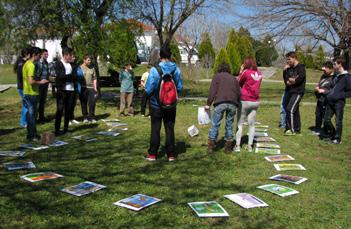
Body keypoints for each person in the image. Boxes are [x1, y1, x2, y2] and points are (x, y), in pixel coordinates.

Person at [144, 45, 183, 162]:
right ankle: (171, 154)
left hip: (156, 105)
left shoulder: (154, 70)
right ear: (170, 56)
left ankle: (152, 154)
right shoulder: (176, 70)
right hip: (171, 105)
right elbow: (180, 87)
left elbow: (148, 88)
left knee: (155, 129)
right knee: (169, 128)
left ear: (160, 56)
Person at [206, 62, 241, 153]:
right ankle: (228, 147)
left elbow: (212, 91)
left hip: (220, 102)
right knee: (229, 125)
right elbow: (239, 93)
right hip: (232, 103)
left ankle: (211, 146)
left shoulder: (217, 77)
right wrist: (236, 102)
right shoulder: (234, 78)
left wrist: (208, 104)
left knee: (215, 124)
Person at [234, 57, 263, 152]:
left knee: (240, 123)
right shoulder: (259, 73)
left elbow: (238, 82)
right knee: (252, 124)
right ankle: (250, 146)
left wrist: (241, 71)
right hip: (255, 101)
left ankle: (238, 146)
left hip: (245, 100)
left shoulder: (246, 72)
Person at [322, 57, 351, 144]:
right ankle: (333, 135)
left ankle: (337, 139)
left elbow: (350, 91)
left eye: (335, 64)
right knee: (326, 120)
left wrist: (340, 96)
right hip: (330, 101)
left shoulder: (347, 77)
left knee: (338, 121)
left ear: (340, 65)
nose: (333, 65)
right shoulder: (336, 76)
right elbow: (332, 87)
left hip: (339, 103)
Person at [22, 47, 49, 141]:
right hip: (32, 93)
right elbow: (30, 81)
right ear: (35, 55)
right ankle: (32, 135)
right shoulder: (31, 65)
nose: (40, 57)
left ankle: (31, 134)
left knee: (31, 115)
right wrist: (41, 82)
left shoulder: (26, 64)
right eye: (39, 55)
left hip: (27, 92)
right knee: (33, 115)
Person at [54, 47, 76, 136]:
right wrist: (69, 77)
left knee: (68, 110)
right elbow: (60, 76)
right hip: (62, 90)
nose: (71, 57)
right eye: (70, 55)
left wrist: (69, 77)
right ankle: (57, 129)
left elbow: (74, 77)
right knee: (60, 110)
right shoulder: (58, 64)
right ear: (65, 55)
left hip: (71, 90)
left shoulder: (72, 65)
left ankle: (66, 128)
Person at [283, 51, 306, 136]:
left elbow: (299, 79)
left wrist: (293, 81)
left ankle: (291, 129)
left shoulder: (301, 67)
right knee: (295, 110)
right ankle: (297, 129)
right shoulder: (289, 68)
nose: (288, 61)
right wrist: (284, 71)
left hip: (298, 91)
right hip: (290, 91)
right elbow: (286, 80)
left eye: (289, 59)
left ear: (294, 58)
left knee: (290, 109)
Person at [311, 61, 333, 136]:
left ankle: (328, 131)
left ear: (330, 69)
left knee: (325, 117)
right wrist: (317, 87)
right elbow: (319, 83)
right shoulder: (323, 76)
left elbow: (334, 90)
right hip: (320, 99)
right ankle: (317, 129)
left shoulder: (334, 78)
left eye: (325, 70)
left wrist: (324, 91)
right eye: (323, 70)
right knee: (318, 115)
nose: (323, 71)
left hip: (326, 100)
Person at [76, 54, 98, 123]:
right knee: (83, 103)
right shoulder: (80, 67)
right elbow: (77, 78)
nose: (90, 61)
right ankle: (85, 116)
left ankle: (92, 117)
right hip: (83, 88)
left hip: (91, 88)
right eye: (88, 60)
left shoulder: (92, 68)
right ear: (84, 60)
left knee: (92, 102)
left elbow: (94, 78)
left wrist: (95, 87)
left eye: (90, 60)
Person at [14, 47, 30, 128]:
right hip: (22, 88)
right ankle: (24, 123)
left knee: (26, 105)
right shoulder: (21, 63)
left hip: (25, 87)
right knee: (27, 105)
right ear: (26, 54)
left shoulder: (25, 62)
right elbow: (21, 77)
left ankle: (25, 121)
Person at [35, 49, 50, 123]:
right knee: (38, 101)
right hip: (39, 84)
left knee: (42, 101)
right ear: (41, 55)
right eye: (45, 54)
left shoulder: (46, 63)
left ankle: (41, 117)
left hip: (45, 84)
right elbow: (36, 74)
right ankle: (36, 118)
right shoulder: (37, 63)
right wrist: (39, 81)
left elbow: (47, 73)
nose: (47, 56)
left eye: (47, 54)